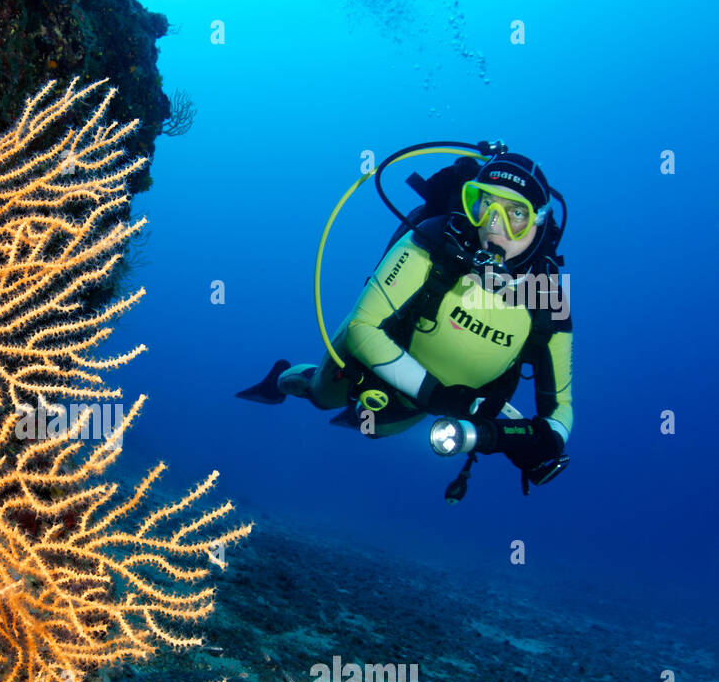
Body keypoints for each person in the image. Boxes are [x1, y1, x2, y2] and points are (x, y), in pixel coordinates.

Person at [237, 151, 572, 487]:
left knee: (376, 430)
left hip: (424, 400)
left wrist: (540, 438)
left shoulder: (548, 298)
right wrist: (440, 397)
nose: (494, 226)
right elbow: (362, 327)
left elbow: (560, 408)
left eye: (516, 213)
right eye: (485, 203)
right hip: (370, 359)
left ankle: (367, 415)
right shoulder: (433, 241)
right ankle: (280, 378)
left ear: (539, 221)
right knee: (322, 397)